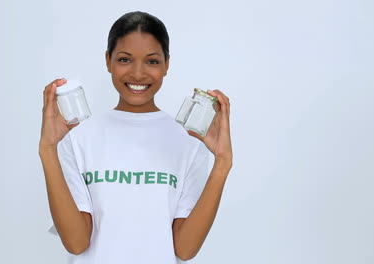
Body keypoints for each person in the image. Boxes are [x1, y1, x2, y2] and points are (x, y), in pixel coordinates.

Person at [39, 11, 233, 264]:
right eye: (124, 59)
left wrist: (222, 162)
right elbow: (77, 243)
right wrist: (48, 149)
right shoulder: (79, 137)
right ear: (108, 61)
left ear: (167, 64)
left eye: (152, 61)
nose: (138, 74)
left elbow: (185, 249)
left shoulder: (188, 140)